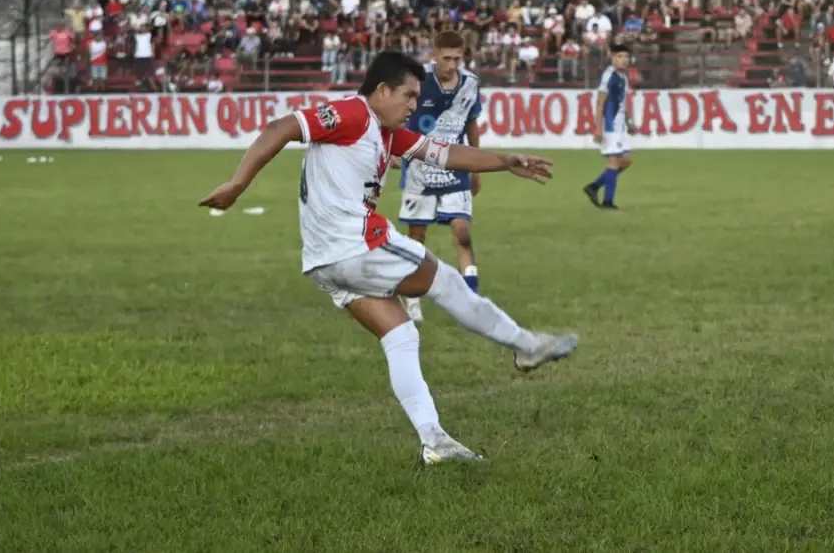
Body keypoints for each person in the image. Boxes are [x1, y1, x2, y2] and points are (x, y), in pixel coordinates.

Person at [198, 51, 578, 466]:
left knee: (401, 337)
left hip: (324, 264)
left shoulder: (388, 133)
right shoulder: (352, 115)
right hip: (356, 247)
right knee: (447, 282)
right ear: (381, 90)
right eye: (408, 96)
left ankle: (435, 442)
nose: (414, 106)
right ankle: (526, 345)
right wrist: (238, 183)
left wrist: (506, 161)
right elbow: (284, 126)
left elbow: (446, 154)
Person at [397, 32, 483, 323]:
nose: (452, 64)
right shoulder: (418, 81)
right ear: (435, 55)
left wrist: (477, 164)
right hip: (420, 169)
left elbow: (471, 122)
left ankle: (471, 300)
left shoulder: (470, 84)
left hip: (455, 166)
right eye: (446, 58)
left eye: (457, 58)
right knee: (417, 237)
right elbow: (400, 116)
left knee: (462, 231)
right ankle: (412, 299)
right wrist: (394, 151)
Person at [584, 45, 633, 209]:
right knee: (613, 161)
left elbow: (622, 102)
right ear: (612, 58)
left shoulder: (623, 77)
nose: (624, 60)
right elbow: (600, 102)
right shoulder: (609, 76)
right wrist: (598, 126)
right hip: (609, 124)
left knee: (626, 161)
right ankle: (608, 202)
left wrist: (628, 120)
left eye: (626, 56)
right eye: (620, 56)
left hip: (619, 126)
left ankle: (594, 186)